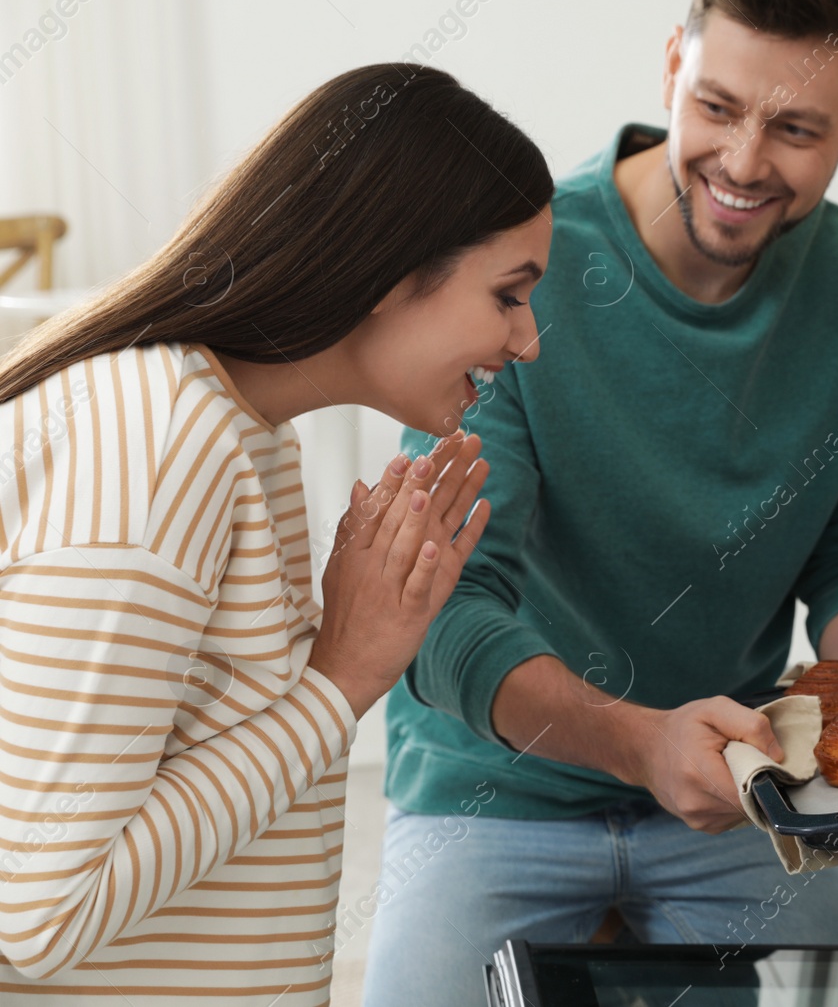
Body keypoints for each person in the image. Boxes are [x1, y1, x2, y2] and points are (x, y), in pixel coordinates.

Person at [362, 0, 838, 1001]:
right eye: (716, 105)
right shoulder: (525, 270)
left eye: (797, 127)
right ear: (672, 64)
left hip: (727, 790)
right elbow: (438, 615)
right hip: (494, 790)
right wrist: (637, 743)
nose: (745, 160)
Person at [0, 64, 551, 1005]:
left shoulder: (244, 432)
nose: (528, 338)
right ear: (392, 271)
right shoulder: (162, 441)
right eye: (508, 293)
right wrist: (341, 681)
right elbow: (43, 910)